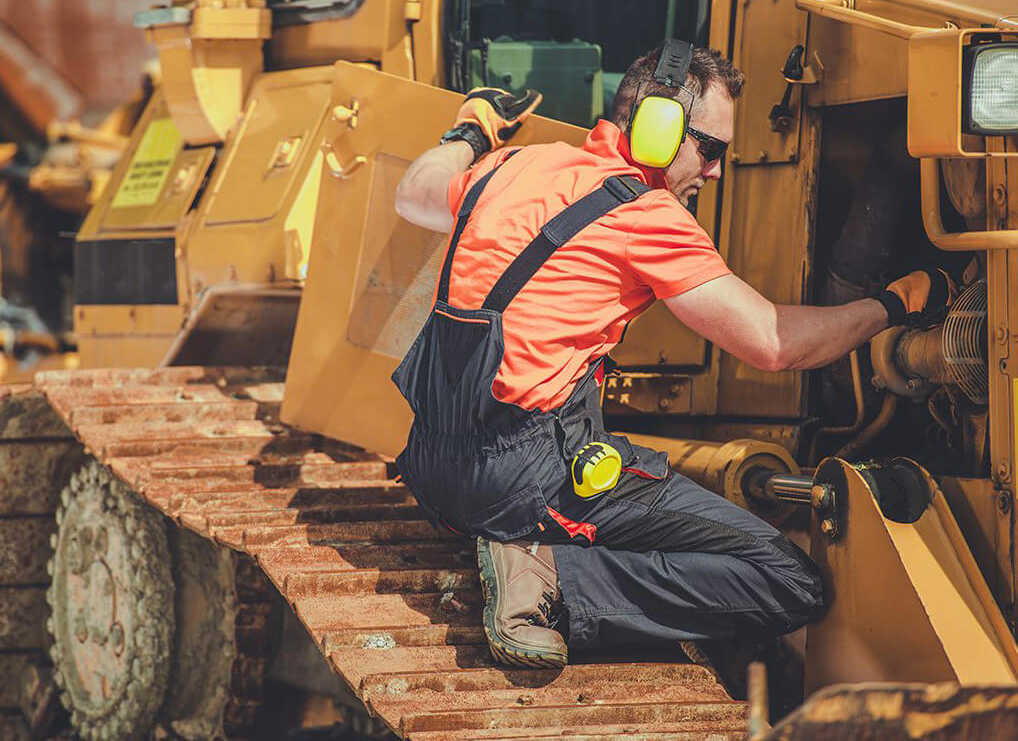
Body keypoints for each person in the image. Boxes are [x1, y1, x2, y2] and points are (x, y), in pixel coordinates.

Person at [391, 41, 954, 668]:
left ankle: (524, 547)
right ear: (658, 129)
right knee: (788, 580)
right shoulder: (647, 215)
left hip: (433, 468)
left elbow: (414, 192)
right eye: (710, 149)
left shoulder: (516, 164)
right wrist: (896, 304)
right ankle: (545, 576)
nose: (714, 173)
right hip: (522, 483)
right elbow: (775, 343)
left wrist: (472, 129)